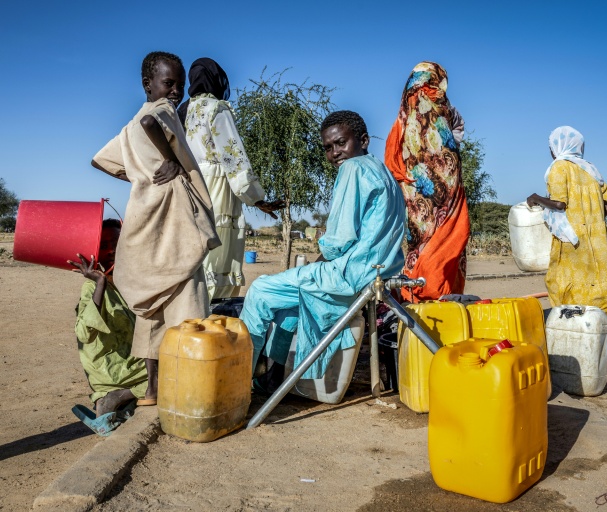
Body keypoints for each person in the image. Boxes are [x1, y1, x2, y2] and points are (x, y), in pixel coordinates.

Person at [240, 110, 406, 390]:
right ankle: (271, 378)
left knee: (260, 291)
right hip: (374, 273)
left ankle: (238, 375)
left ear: (363, 140)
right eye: (328, 148)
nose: (335, 153)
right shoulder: (384, 174)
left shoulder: (353, 169)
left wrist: (313, 265)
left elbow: (339, 240)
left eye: (341, 143)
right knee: (287, 307)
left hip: (349, 274)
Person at [92, 51, 220, 405]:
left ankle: (152, 390)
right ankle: (188, 392)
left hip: (143, 218)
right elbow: (154, 125)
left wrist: (138, 177)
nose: (175, 90)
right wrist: (170, 160)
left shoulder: (129, 125)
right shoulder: (159, 112)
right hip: (174, 220)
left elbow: (100, 159)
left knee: (153, 307)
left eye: (178, 84)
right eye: (168, 83)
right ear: (148, 84)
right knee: (187, 294)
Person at [178, 58, 283, 300]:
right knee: (219, 246)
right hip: (216, 185)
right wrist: (256, 199)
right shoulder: (217, 109)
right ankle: (214, 311)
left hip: (191, 186)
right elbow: (233, 159)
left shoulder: (184, 110)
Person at [526, 126, 607, 340]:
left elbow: (560, 204)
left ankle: (576, 336)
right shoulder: (592, 170)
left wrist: (535, 198)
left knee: (563, 282)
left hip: (571, 240)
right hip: (596, 240)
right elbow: (606, 208)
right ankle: (600, 335)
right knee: (600, 282)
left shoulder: (559, 167)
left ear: (557, 147)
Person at [384, 61, 470, 302]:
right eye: (419, 87)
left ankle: (428, 293)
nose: (424, 92)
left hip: (436, 194)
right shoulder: (411, 117)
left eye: (430, 85)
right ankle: (426, 293)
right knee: (428, 242)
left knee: (439, 242)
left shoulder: (411, 117)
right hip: (422, 196)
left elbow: (454, 141)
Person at [68, 219, 147, 417]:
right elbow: (84, 332)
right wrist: (100, 284)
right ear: (94, 252)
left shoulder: (126, 279)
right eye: (104, 246)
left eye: (117, 243)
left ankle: (128, 398)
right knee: (174, 375)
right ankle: (115, 396)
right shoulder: (93, 287)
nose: (112, 250)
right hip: (113, 370)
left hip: (132, 361)